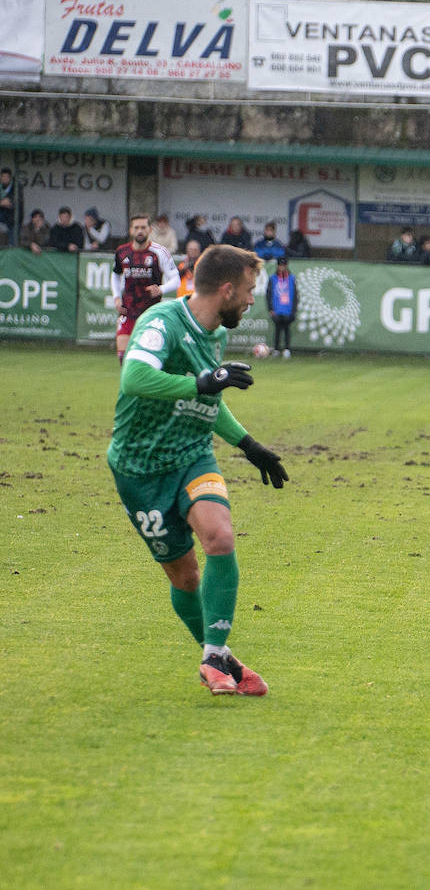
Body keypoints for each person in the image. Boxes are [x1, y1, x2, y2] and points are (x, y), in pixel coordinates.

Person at [107, 243, 287, 697]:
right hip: (139, 468)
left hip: (192, 455)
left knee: (220, 536)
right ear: (226, 289)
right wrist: (203, 380)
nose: (251, 300)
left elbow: (208, 401)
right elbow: (134, 377)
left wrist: (249, 446)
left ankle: (213, 651)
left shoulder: (217, 335)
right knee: (184, 577)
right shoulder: (161, 322)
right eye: (248, 291)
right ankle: (220, 657)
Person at [112, 213, 180, 364]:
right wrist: (116, 297)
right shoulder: (122, 252)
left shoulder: (159, 252)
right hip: (128, 310)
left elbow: (176, 280)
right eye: (136, 228)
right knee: (123, 358)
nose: (140, 231)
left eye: (143, 227)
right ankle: (129, 387)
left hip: (151, 313)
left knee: (150, 360)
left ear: (150, 230)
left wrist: (161, 289)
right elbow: (116, 275)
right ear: (131, 230)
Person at [266, 256, 297, 358]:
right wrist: (270, 309)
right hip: (277, 310)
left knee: (287, 329)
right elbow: (268, 294)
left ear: (286, 266)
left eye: (284, 265)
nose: (282, 268)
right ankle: (276, 349)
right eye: (280, 265)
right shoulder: (273, 278)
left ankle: (287, 349)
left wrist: (294, 310)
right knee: (277, 330)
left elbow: (296, 296)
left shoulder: (292, 278)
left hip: (288, 310)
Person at [0, 167, 18, 243]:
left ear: (10, 178)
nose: (4, 179)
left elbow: (11, 203)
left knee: (12, 245)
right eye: (2, 177)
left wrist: (6, 203)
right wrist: (2, 203)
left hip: (12, 221)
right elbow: (5, 203)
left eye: (7, 177)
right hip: (1, 218)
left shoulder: (17, 187)